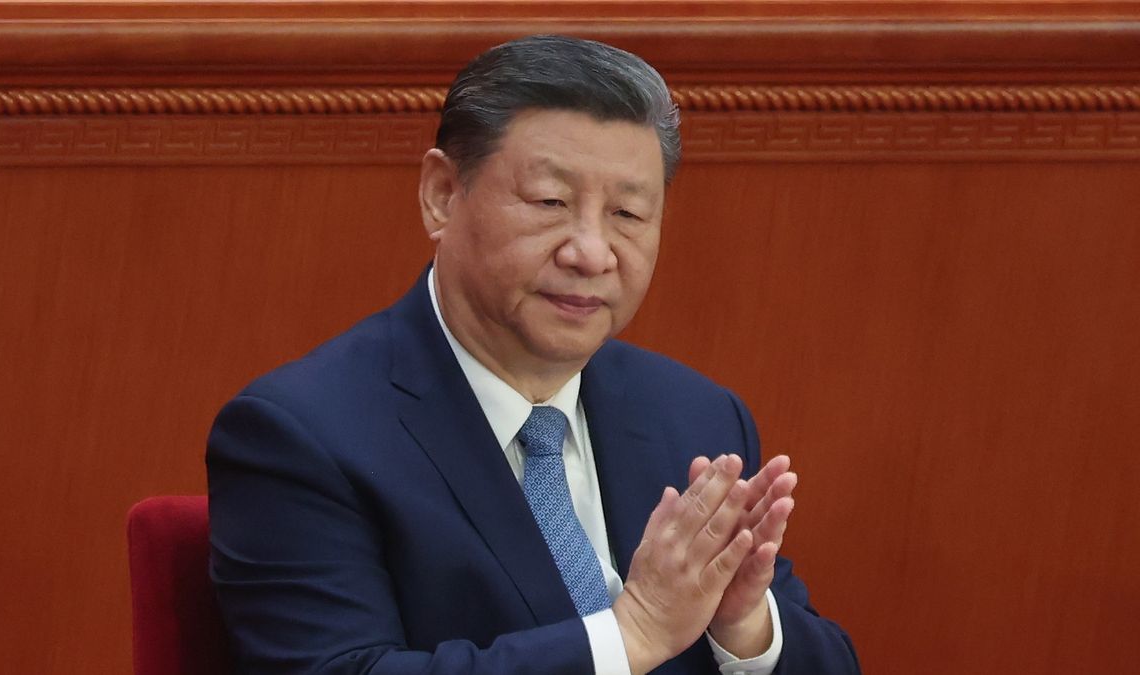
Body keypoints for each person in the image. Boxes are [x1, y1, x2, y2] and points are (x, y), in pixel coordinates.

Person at [207, 34, 860, 674]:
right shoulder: (300, 434)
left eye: (628, 214)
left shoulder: (694, 415)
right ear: (441, 194)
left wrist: (744, 628)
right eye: (551, 202)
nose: (592, 252)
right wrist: (631, 635)